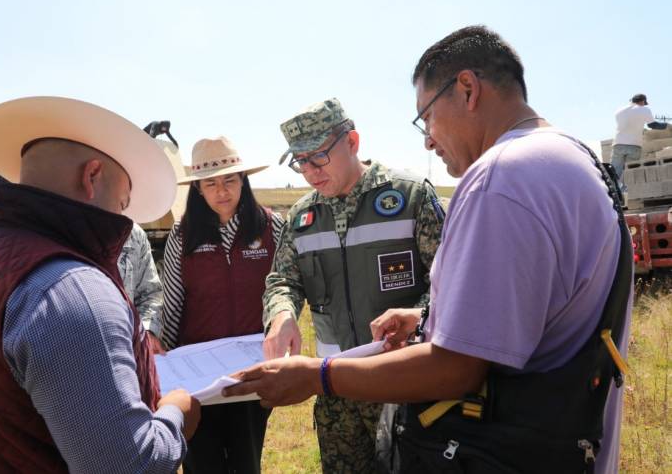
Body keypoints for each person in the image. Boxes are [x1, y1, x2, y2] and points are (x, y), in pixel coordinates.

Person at [226, 26, 632, 474]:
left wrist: (317, 375)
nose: (428, 140)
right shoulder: (574, 160)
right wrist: (425, 319)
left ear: (467, 89)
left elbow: (459, 366)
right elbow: (523, 309)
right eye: (300, 163)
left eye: (427, 117)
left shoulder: (497, 179)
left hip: (488, 437)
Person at [0, 96, 200, 473]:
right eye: (124, 201)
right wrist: (175, 413)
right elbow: (129, 465)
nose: (123, 214)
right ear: (92, 176)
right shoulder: (74, 292)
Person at [261, 97, 444, 473]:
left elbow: (451, 283)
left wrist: (421, 314)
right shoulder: (301, 218)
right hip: (335, 388)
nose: (309, 172)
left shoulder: (409, 197)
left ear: (353, 142)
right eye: (300, 162)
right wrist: (282, 314)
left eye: (318, 157)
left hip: (404, 383)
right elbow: (283, 279)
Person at [160, 136, 285, 474]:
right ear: (198, 189)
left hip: (251, 372)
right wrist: (162, 351)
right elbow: (171, 301)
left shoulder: (274, 228)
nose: (221, 191)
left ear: (243, 181)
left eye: (230, 180)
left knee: (247, 460)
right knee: (201, 461)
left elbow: (285, 291)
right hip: (197, 374)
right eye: (210, 183)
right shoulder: (182, 235)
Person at [119, 222, 166, 353]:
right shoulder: (64, 232)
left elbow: (150, 294)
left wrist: (147, 332)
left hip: (132, 351)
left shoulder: (134, 234)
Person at [612, 93, 653, 190]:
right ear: (642, 101)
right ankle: (627, 194)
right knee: (630, 172)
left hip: (618, 144)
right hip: (634, 145)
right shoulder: (643, 109)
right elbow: (652, 125)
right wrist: (666, 126)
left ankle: (614, 194)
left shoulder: (619, 111)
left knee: (615, 171)